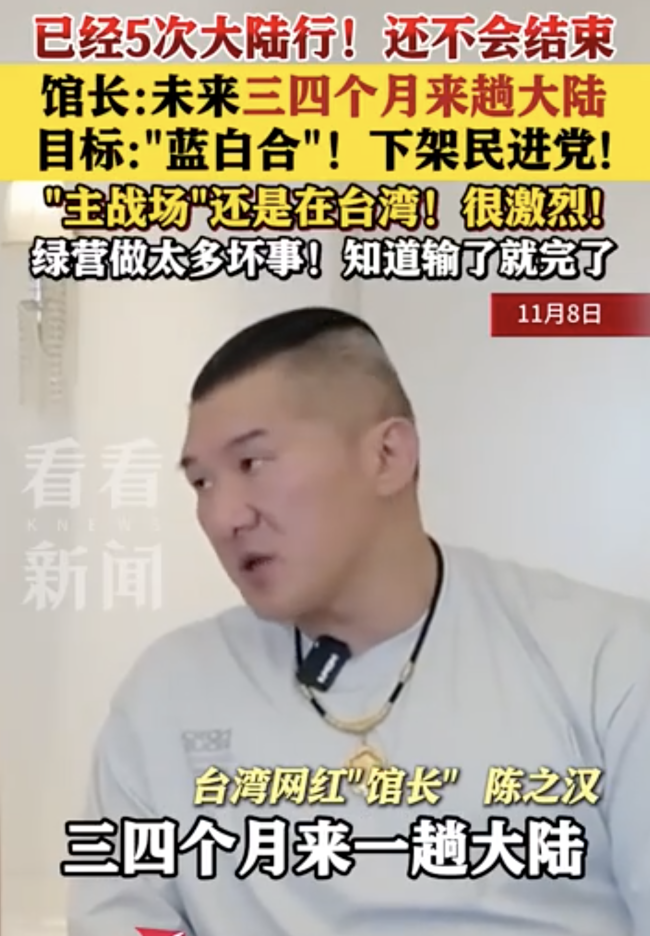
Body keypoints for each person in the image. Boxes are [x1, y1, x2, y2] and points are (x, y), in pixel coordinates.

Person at [68, 306, 650, 936]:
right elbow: (120, 916)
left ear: (388, 455)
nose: (223, 516)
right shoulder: (168, 693)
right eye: (202, 483)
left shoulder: (604, 659)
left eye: (253, 463)